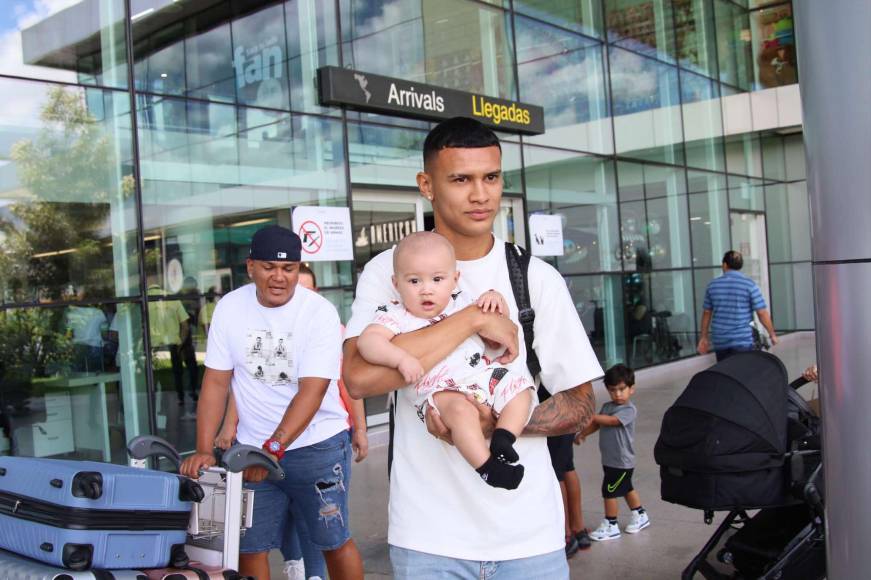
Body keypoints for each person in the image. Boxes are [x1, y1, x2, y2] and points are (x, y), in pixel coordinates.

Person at [342, 117, 601, 579]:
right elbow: (359, 378)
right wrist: (472, 320)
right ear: (427, 185)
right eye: (461, 179)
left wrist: (495, 422)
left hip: (529, 537)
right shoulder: (391, 270)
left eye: (491, 177)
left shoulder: (534, 278)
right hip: (428, 538)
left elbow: (581, 404)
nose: (481, 195)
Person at [180, 225, 364, 580]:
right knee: (250, 547)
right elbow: (216, 382)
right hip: (252, 451)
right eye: (268, 267)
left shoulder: (319, 313)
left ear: (298, 269)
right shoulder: (230, 308)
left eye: (289, 269)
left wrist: (272, 449)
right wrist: (204, 448)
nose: (279, 277)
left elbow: (311, 392)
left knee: (333, 541)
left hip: (318, 448)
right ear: (250, 267)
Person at [357, 231, 535, 490]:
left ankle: (504, 437)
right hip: (440, 390)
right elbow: (368, 343)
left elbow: (497, 335)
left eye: (437, 279)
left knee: (521, 391)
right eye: (414, 281)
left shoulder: (463, 303)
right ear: (396, 284)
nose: (426, 289)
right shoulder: (396, 314)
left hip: (481, 376)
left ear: (455, 279)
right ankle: (487, 468)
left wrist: (497, 301)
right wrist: (400, 359)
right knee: (461, 413)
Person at [577, 364, 650, 541]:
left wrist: (592, 415)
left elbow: (611, 421)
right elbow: (598, 424)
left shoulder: (628, 410)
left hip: (622, 461)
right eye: (612, 390)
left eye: (622, 389)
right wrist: (583, 434)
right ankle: (640, 515)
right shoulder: (607, 406)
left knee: (609, 491)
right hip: (611, 460)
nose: (617, 394)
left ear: (631, 389)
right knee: (626, 488)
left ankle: (611, 524)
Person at [697, 250, 778, 362]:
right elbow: (761, 312)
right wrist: (772, 334)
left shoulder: (713, 285)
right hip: (742, 340)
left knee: (725, 373)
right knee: (742, 373)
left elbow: (707, 313)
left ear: (724, 265)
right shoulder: (749, 284)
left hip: (720, 340)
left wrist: (704, 337)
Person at [550, 433, 591, 557]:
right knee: (567, 466)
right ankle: (578, 529)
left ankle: (566, 534)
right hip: (566, 419)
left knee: (556, 472)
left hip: (553, 421)